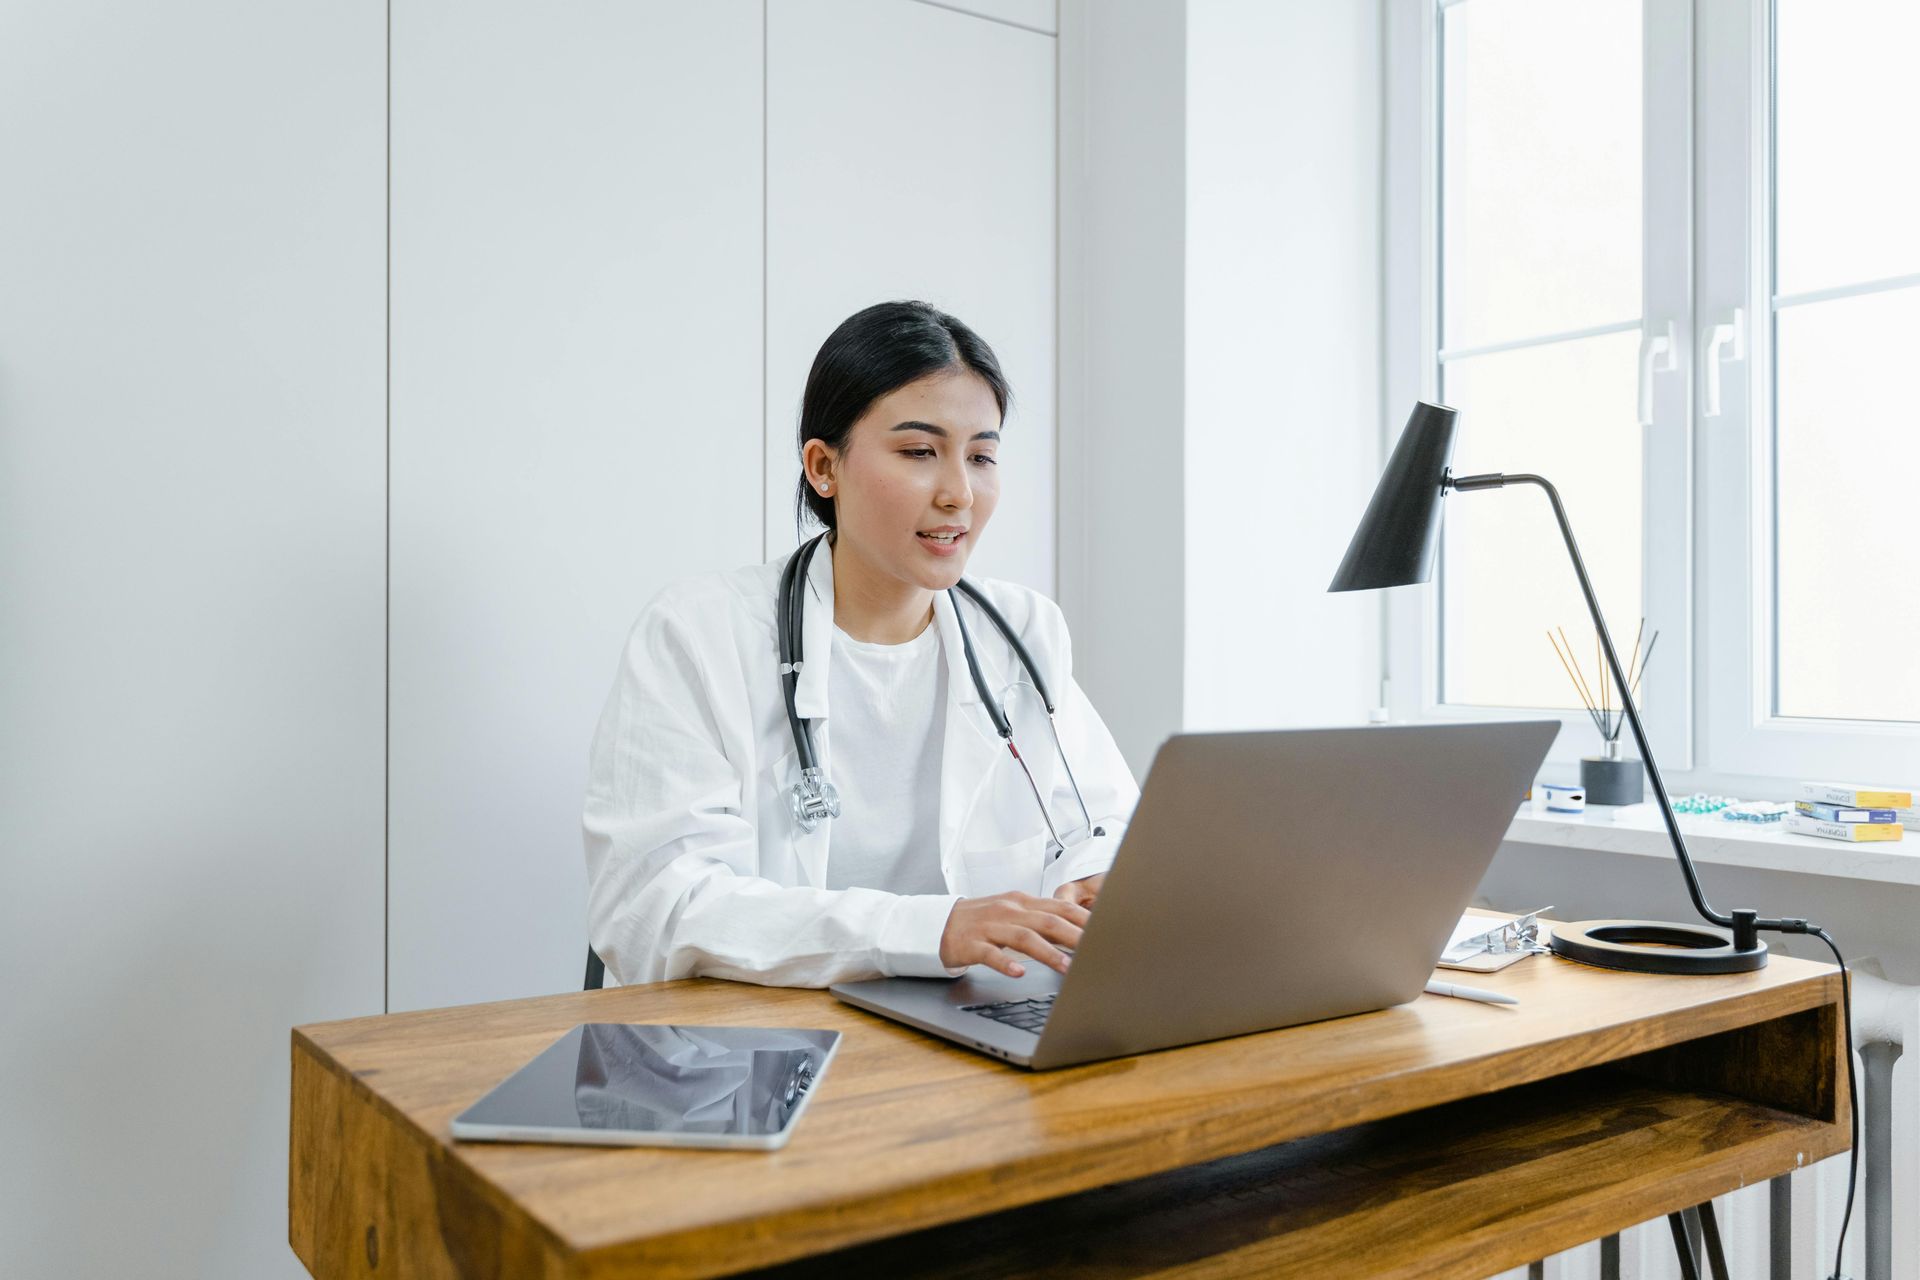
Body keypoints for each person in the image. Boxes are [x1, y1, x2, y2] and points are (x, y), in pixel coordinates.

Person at [583, 300, 1139, 988]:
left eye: (982, 456)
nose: (960, 493)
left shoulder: (1021, 633)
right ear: (824, 467)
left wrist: (1095, 881)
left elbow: (1098, 822)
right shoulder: (699, 634)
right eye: (918, 452)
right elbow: (654, 908)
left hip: (966, 1029)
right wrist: (926, 929)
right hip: (749, 1055)